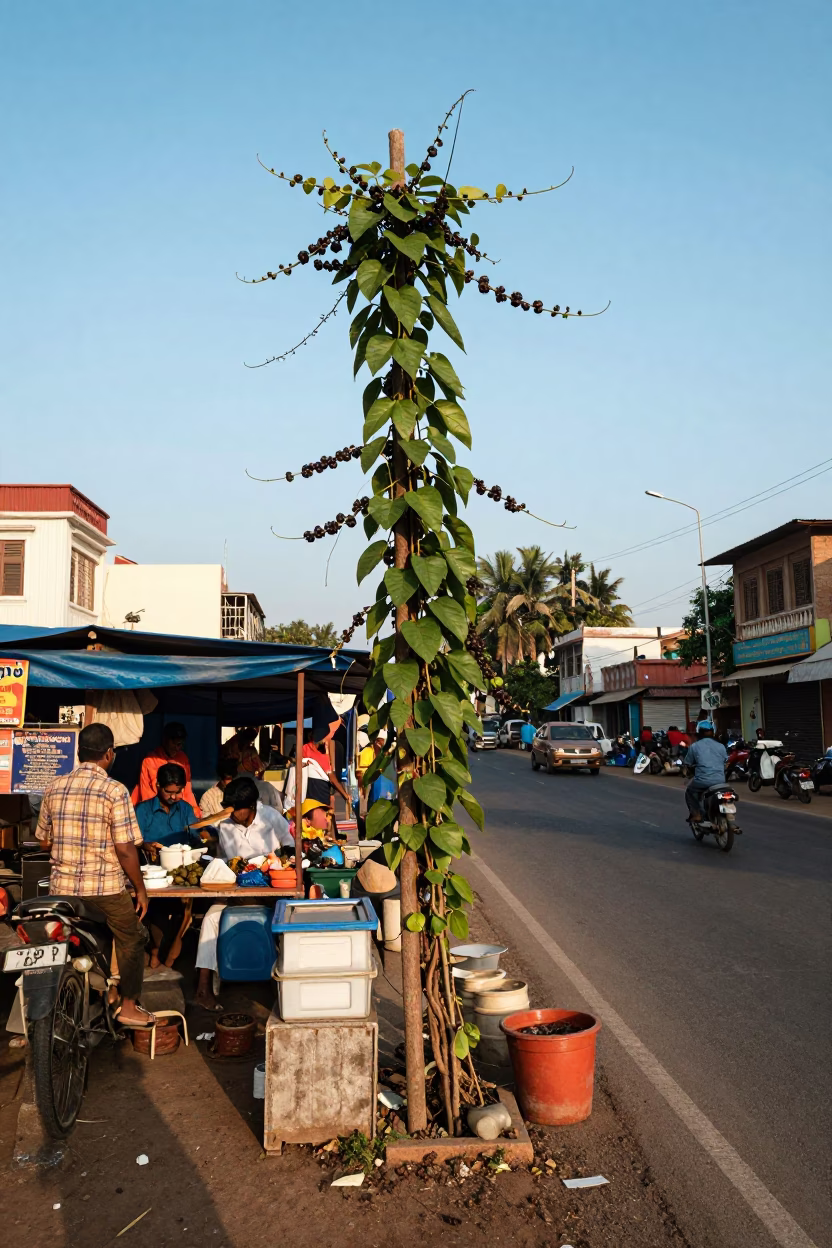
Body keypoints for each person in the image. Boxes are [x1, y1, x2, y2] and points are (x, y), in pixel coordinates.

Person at [35, 722, 155, 1029]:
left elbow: (43, 840)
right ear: (109, 754)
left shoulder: (53, 787)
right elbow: (126, 849)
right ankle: (128, 1005)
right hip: (103, 889)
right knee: (132, 937)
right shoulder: (114, 790)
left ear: (78, 753)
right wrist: (140, 889)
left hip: (61, 890)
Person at [193, 776, 293, 1009]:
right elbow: (225, 862)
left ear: (251, 806)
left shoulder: (271, 817)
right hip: (235, 891)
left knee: (285, 924)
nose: (231, 813)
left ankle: (284, 985)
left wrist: (275, 863)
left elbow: (289, 848)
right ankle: (203, 989)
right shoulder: (225, 826)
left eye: (236, 809)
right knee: (210, 919)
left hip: (271, 890)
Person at [132, 722, 201, 815]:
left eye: (180, 744)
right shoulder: (149, 760)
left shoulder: (183, 758)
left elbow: (187, 790)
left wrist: (194, 811)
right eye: (174, 743)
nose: (177, 748)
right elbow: (147, 795)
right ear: (165, 740)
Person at [135, 763, 205, 849]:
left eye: (177, 792)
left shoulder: (186, 808)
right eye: (168, 792)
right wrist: (146, 846)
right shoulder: (142, 811)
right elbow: (135, 843)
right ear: (158, 785)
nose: (173, 797)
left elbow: (196, 835)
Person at [684, 721, 729, 822]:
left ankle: (696, 815)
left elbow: (688, 763)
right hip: (721, 781)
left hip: (703, 781)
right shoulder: (721, 746)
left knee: (690, 792)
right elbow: (726, 761)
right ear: (712, 732)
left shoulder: (694, 746)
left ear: (698, 733)